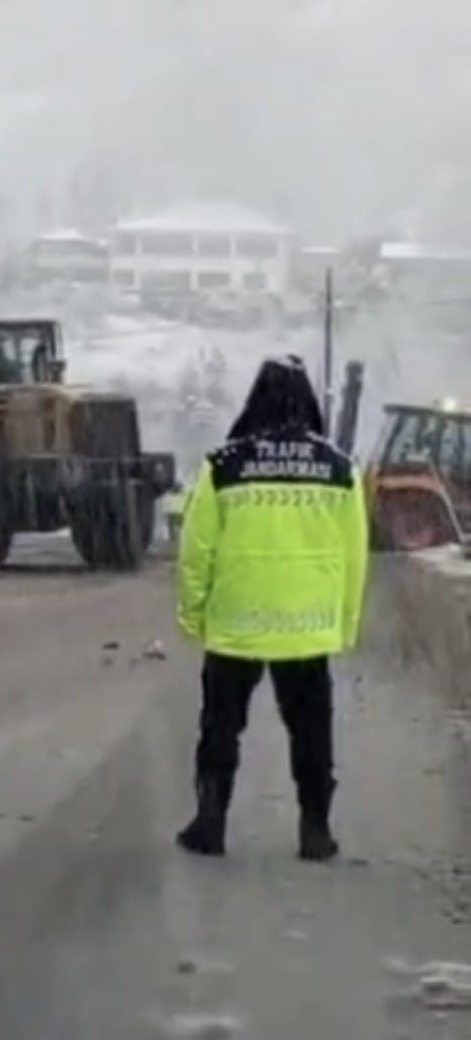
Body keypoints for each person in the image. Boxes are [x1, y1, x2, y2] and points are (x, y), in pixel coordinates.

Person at [175, 355, 369, 861]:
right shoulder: (339, 469)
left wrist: (193, 614)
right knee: (311, 732)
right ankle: (315, 829)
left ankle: (210, 822)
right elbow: (355, 560)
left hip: (236, 623)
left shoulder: (224, 466)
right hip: (306, 629)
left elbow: (196, 553)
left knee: (221, 726)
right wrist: (343, 626)